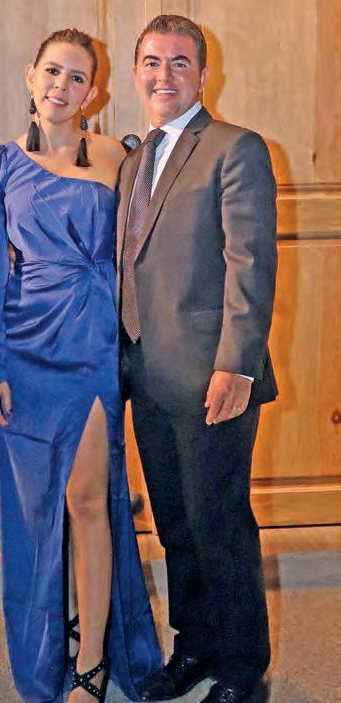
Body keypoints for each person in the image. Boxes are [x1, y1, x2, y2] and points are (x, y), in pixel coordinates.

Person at [0, 28, 161, 703]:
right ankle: (49, 644)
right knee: (38, 508)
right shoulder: (1, 164)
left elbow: (143, 253)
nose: (61, 86)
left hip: (91, 344)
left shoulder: (115, 156)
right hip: (25, 349)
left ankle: (93, 660)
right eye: (52, 71)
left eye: (77, 77)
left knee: (87, 498)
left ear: (94, 93)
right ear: (30, 76)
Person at [118, 14, 278, 703]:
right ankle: (195, 646)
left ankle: (242, 669)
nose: (164, 75)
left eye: (179, 62)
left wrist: (237, 365)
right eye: (152, 62)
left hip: (216, 375)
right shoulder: (134, 161)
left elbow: (251, 263)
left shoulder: (235, 148)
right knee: (176, 525)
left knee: (220, 525)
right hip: (146, 374)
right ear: (136, 73)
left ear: (204, 75)